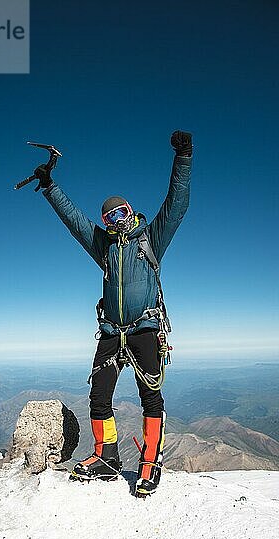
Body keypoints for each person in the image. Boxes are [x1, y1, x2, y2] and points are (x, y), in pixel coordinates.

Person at [34, 131, 192, 496]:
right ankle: (107, 458)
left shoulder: (150, 238)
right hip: (110, 332)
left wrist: (183, 157)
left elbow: (177, 203)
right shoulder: (104, 248)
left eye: (120, 212)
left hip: (143, 330)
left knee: (150, 397)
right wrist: (50, 186)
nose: (114, 220)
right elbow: (75, 221)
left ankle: (150, 460)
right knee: (99, 397)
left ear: (130, 211)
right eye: (108, 216)